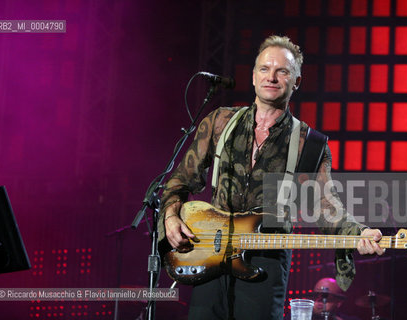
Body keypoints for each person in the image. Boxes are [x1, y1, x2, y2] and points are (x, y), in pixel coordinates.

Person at [157, 35, 385, 320]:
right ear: (253, 77)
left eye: (282, 71)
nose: (272, 77)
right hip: (208, 252)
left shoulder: (309, 143)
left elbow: (327, 206)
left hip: (266, 259)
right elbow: (179, 180)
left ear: (296, 81)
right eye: (264, 69)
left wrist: (358, 234)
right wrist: (170, 217)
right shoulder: (219, 122)